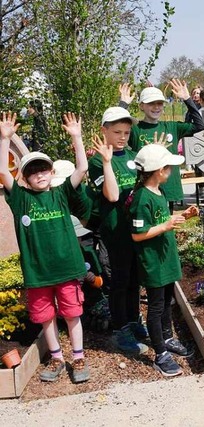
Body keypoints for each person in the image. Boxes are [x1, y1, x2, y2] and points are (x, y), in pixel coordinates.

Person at [0, 111, 90, 383]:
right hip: (38, 273)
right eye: (32, 172)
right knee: (45, 317)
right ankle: (57, 358)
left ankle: (78, 356)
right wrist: (5, 139)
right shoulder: (21, 200)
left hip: (67, 269)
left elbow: (82, 169)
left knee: (73, 314)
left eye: (43, 169)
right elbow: (3, 171)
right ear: (25, 178)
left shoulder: (62, 193)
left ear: (51, 172)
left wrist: (76, 137)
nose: (39, 175)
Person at [128, 144, 199, 377]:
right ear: (159, 170)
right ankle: (160, 354)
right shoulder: (141, 198)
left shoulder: (159, 191)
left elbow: (161, 220)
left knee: (167, 302)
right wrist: (166, 225)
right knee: (156, 307)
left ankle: (167, 337)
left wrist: (180, 216)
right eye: (169, 168)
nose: (171, 171)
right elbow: (137, 234)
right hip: (153, 263)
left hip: (166, 258)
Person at [88, 107, 150, 354]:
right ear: (104, 130)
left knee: (135, 279)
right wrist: (106, 161)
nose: (123, 137)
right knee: (119, 282)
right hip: (115, 233)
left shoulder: (134, 156)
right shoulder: (97, 161)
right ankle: (120, 327)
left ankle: (134, 320)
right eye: (117, 132)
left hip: (135, 230)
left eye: (126, 132)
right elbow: (112, 195)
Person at [121, 79, 204, 211]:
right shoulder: (136, 129)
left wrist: (187, 99)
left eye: (159, 103)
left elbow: (200, 126)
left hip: (169, 186)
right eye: (151, 103)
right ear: (141, 106)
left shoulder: (172, 127)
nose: (156, 107)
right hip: (145, 189)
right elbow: (114, 127)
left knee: (167, 224)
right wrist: (123, 105)